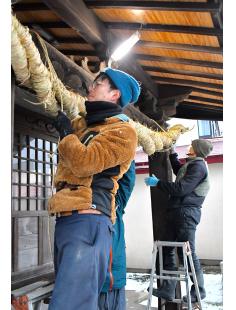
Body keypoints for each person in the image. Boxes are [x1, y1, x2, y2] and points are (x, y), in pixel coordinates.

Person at [48, 68, 140, 310]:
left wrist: (67, 134)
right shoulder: (86, 126)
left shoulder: (122, 131)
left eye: (98, 83)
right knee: (69, 299)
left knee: (70, 305)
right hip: (67, 218)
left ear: (114, 94)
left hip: (88, 219)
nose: (91, 86)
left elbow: (85, 161)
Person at [144, 139, 213, 303]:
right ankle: (168, 290)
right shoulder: (191, 165)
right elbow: (179, 170)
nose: (189, 146)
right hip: (176, 212)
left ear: (196, 150)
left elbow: (182, 189)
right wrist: (172, 152)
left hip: (186, 213)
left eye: (192, 145)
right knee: (167, 248)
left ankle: (198, 292)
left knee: (187, 254)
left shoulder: (199, 166)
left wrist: (158, 183)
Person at [98, 160, 136, 310]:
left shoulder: (116, 203)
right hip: (98, 280)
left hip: (112, 277)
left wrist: (130, 155)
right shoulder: (83, 205)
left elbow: (128, 181)